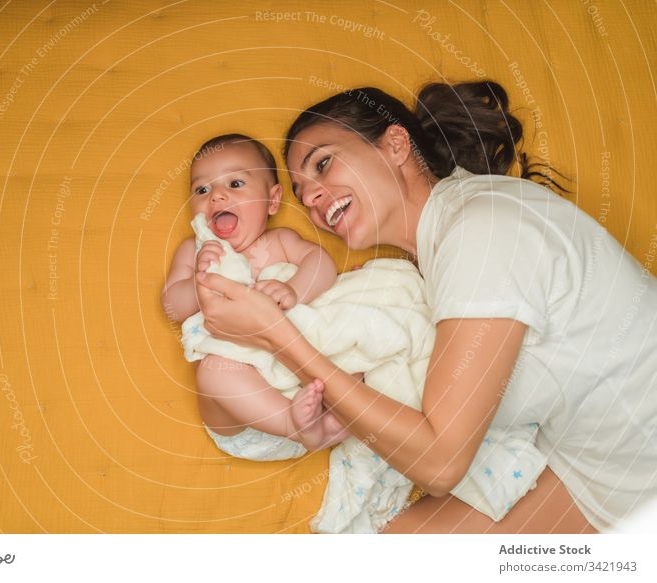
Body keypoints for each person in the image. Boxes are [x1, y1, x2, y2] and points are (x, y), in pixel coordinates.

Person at [194, 81, 657, 533]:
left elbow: (439, 462)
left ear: (396, 143)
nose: (313, 197)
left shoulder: (482, 229)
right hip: (591, 468)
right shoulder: (435, 254)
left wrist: (275, 335)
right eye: (300, 193)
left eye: (324, 164)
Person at [161, 134, 350, 453]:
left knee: (353, 327)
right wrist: (198, 281)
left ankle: (334, 419)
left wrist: (294, 289)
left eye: (235, 184)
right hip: (243, 417)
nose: (217, 197)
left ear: (273, 200)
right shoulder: (193, 252)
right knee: (214, 374)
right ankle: (295, 426)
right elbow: (170, 306)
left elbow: (322, 264)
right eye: (202, 189)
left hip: (305, 385)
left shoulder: (280, 242)